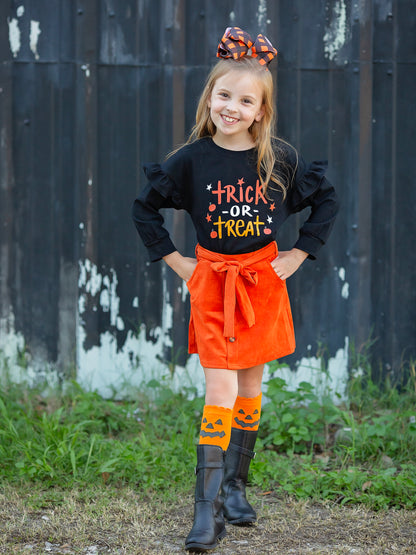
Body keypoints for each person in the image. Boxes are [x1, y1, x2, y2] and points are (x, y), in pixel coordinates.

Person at [132, 26, 338, 553]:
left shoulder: (279, 161)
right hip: (214, 286)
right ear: (210, 98)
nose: (232, 106)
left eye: (246, 100)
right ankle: (208, 512)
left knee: (250, 387)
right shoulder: (192, 160)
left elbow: (327, 202)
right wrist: (180, 263)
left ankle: (236, 486)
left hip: (262, 283)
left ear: (261, 111)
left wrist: (299, 251)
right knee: (219, 390)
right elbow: (144, 209)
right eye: (224, 95)